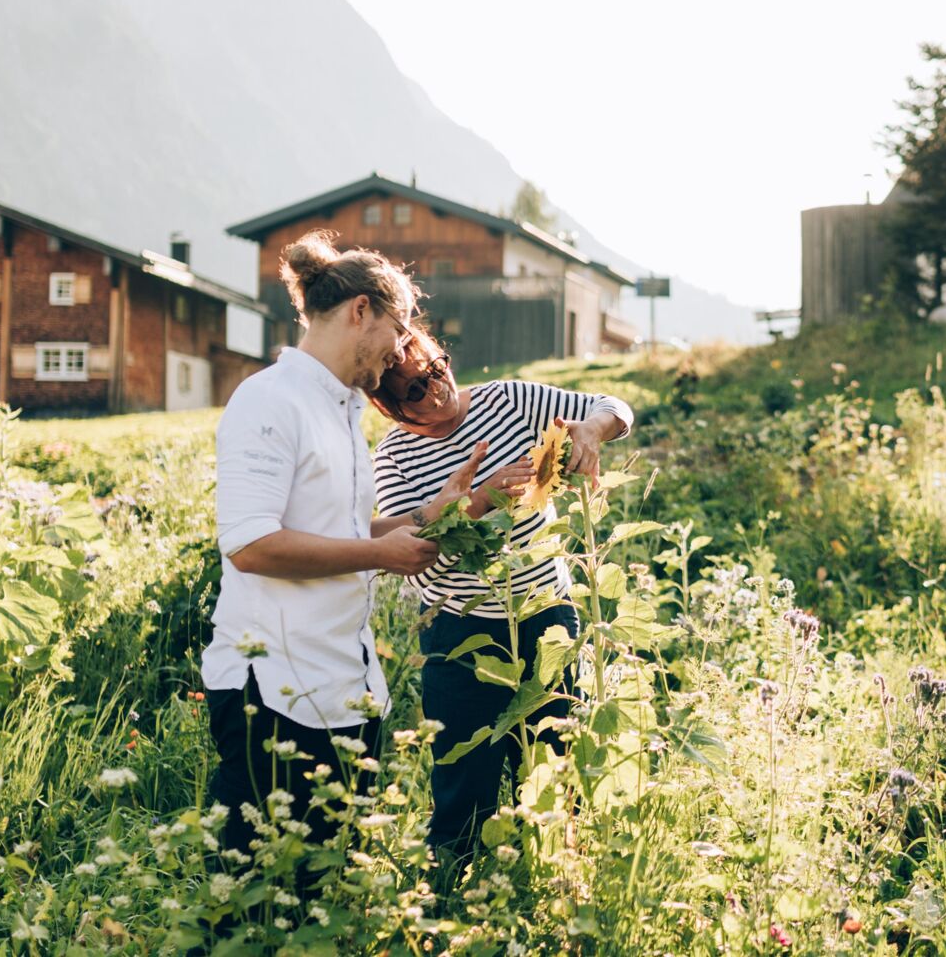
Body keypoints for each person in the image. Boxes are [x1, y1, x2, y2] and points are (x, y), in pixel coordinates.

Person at [205, 230, 472, 864]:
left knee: (330, 891)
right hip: (272, 693)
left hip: (343, 688)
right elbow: (251, 544)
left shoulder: (342, 411)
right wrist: (382, 555)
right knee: (263, 901)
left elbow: (343, 532)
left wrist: (429, 517)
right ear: (360, 311)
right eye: (399, 329)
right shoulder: (271, 399)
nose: (402, 352)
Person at [367, 324, 633, 869]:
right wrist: (480, 501)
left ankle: (557, 880)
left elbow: (617, 408)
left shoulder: (508, 400)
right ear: (389, 405)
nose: (436, 390)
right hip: (460, 630)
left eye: (436, 369)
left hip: (544, 614)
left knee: (555, 764)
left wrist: (589, 428)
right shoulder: (393, 457)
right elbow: (405, 546)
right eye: (415, 390)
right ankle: (450, 897)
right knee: (464, 780)